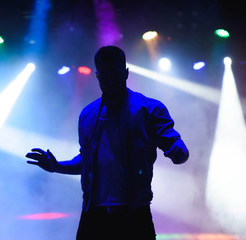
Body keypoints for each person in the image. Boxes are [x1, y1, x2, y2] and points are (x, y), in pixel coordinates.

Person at [26, 46, 189, 240]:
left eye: (116, 74)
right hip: (93, 215)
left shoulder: (149, 109)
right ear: (97, 76)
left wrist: (179, 150)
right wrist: (57, 166)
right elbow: (88, 160)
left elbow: (173, 141)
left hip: (134, 215)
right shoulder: (87, 115)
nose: (110, 81)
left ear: (126, 73)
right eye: (105, 76)